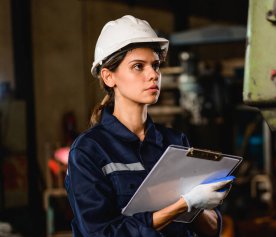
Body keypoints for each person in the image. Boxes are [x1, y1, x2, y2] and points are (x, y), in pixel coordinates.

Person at [64, 15, 234, 237]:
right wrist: (183, 204)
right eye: (138, 66)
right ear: (108, 77)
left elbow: (211, 231)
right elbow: (100, 233)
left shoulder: (175, 142)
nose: (153, 74)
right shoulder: (89, 151)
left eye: (155, 65)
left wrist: (200, 204)